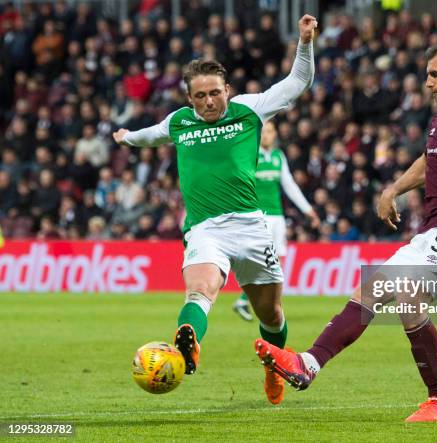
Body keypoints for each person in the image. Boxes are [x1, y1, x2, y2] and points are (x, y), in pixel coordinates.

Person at [253, 41, 437, 422]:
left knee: (407, 297)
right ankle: (309, 364)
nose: (426, 83)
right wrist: (394, 189)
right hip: (430, 230)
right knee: (372, 291)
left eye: (434, 74)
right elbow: (429, 162)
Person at [113, 15, 318, 406]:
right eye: (200, 96)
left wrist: (304, 42)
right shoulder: (180, 122)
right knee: (200, 289)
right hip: (205, 229)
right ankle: (188, 346)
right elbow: (148, 135)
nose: (208, 101)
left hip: (251, 227)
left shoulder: (249, 110)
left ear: (228, 89)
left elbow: (297, 83)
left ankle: (273, 368)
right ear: (189, 98)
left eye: (214, 93)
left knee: (271, 314)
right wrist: (126, 138)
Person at [233, 121, 320, 321]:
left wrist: (308, 210)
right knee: (265, 260)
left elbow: (290, 186)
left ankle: (248, 300)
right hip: (257, 216)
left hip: (277, 216)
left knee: (277, 260)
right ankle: (260, 302)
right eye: (264, 132)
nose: (267, 135)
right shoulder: (250, 156)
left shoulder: (278, 157)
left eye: (271, 131)